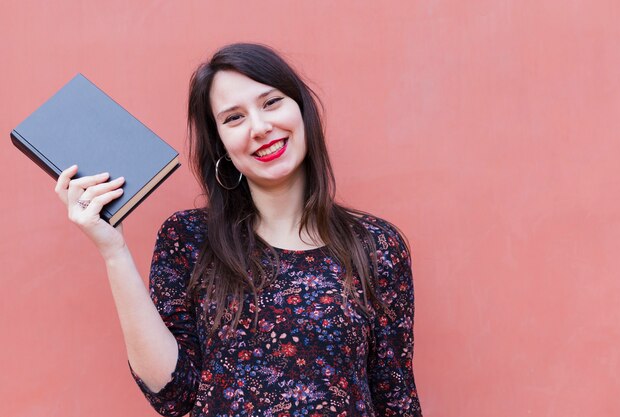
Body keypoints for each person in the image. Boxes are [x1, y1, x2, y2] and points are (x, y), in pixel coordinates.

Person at [55, 43, 421, 417]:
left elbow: (397, 397)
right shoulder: (189, 239)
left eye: (271, 102)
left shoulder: (376, 245)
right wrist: (113, 251)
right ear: (222, 147)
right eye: (234, 118)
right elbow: (172, 394)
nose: (260, 128)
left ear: (302, 110)